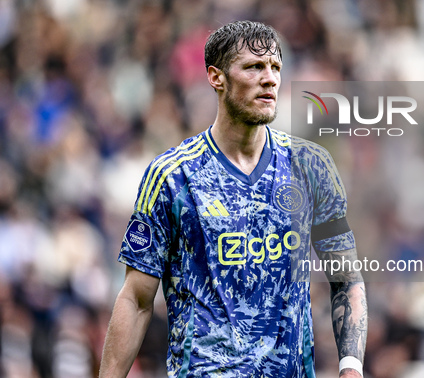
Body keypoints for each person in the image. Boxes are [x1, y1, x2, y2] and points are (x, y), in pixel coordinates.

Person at [99, 20, 367, 378]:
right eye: (254, 67)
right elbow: (136, 299)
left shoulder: (311, 166)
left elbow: (346, 279)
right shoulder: (172, 176)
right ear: (216, 77)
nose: (269, 78)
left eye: (275, 68)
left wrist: (351, 367)